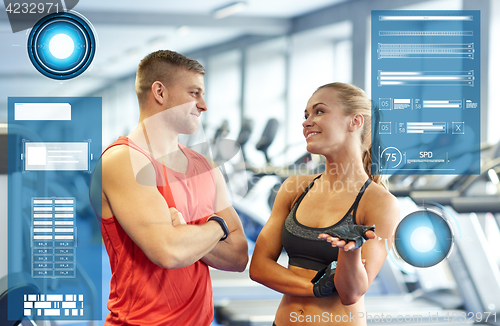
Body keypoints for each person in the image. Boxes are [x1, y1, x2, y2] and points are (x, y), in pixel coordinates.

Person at [90, 50, 248, 325]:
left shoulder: (204, 166)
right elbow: (169, 252)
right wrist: (218, 227)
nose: (204, 105)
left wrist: (184, 231)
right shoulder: (123, 161)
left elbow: (238, 256)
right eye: (194, 93)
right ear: (160, 93)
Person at [249, 82, 399, 325]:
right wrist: (316, 287)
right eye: (306, 115)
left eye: (319, 111)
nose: (307, 121)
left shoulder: (379, 202)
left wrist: (349, 252)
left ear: (355, 122)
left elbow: (351, 294)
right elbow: (259, 267)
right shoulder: (294, 187)